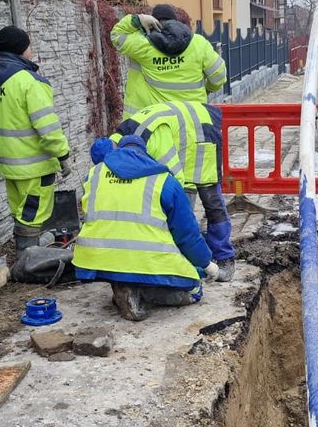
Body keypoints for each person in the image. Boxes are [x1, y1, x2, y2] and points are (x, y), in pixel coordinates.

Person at [73, 136, 219, 321]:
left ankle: (125, 286)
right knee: (195, 288)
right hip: (146, 258)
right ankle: (143, 293)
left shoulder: (94, 174)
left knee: (124, 267)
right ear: (145, 153)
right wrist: (206, 263)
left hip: (95, 259)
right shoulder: (164, 180)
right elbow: (187, 235)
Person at [113, 102, 236, 281]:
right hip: (182, 133)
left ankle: (224, 257)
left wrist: (183, 220)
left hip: (202, 130)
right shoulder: (122, 139)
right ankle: (191, 252)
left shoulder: (153, 139)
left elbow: (174, 181)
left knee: (209, 196)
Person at [0, 26, 70, 250]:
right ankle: (28, 262)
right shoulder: (30, 82)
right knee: (33, 212)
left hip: (8, 161)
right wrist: (63, 155)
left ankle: (29, 252)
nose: (31, 50)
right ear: (21, 49)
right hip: (34, 165)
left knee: (21, 210)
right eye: (29, 45)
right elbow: (48, 127)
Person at [110, 4, 228, 118]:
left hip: (152, 124)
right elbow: (219, 75)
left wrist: (138, 19)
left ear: (152, 22)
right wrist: (206, 90)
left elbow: (117, 34)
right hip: (192, 119)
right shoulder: (199, 43)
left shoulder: (142, 44)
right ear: (176, 22)